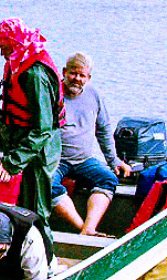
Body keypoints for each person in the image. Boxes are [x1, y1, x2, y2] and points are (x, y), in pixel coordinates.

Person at [0, 18, 63, 217]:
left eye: (5, 46)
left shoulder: (35, 74)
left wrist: (12, 163)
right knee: (16, 207)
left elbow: (42, 129)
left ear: (16, 43)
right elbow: (11, 116)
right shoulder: (16, 64)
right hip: (21, 144)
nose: (2, 52)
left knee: (35, 212)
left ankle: (44, 246)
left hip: (39, 151)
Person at [49, 52, 133, 236]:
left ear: (88, 78)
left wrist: (115, 161)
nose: (77, 79)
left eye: (82, 75)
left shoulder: (94, 95)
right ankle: (83, 229)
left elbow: (103, 131)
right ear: (64, 72)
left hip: (84, 160)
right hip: (56, 160)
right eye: (73, 73)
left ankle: (89, 227)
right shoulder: (52, 94)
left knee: (108, 178)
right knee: (47, 183)